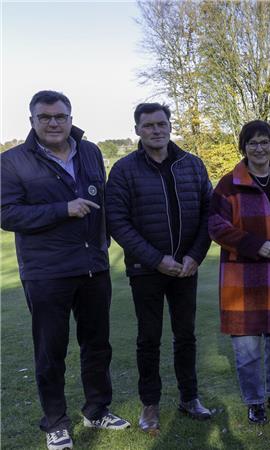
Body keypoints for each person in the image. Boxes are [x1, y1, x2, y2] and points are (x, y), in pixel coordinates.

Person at [0, 90, 130, 450]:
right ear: (32, 121)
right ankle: (56, 422)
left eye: (60, 116)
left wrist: (104, 247)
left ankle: (96, 410)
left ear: (71, 119)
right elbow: (7, 214)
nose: (54, 123)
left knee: (97, 346)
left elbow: (101, 201)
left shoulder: (89, 151)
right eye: (45, 117)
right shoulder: (12, 162)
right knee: (50, 351)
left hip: (93, 267)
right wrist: (63, 209)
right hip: (46, 273)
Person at [106, 103, 213, 432]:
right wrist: (156, 259)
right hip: (146, 270)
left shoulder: (192, 165)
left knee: (186, 336)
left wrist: (194, 256)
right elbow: (118, 222)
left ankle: (189, 397)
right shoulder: (124, 169)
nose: (156, 129)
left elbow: (211, 215)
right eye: (149, 125)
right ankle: (150, 405)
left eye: (161, 123)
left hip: (186, 268)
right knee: (148, 339)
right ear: (137, 130)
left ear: (170, 126)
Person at [208, 120, 270, 425]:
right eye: (253, 143)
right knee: (247, 347)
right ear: (243, 147)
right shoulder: (228, 185)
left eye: (265, 142)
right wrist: (254, 245)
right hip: (244, 280)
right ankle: (255, 401)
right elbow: (216, 226)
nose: (259, 148)